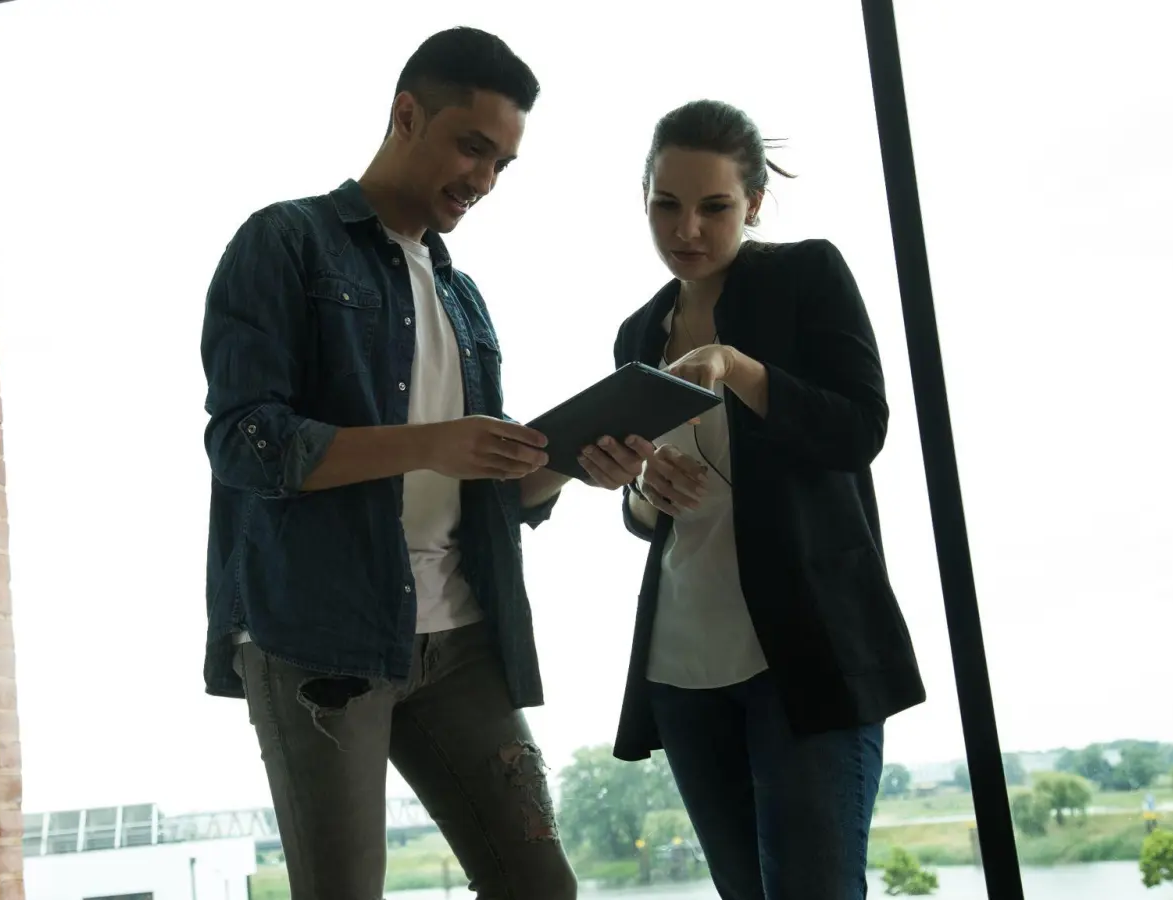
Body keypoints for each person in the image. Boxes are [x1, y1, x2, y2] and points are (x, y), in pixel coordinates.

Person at [200, 27, 630, 899]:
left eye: (503, 163)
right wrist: (433, 442)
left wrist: (575, 468)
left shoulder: (462, 295)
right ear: (405, 114)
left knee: (543, 887)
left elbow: (491, 497)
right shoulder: (284, 243)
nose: (484, 180)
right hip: (320, 641)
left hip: (462, 637)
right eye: (473, 147)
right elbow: (246, 441)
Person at [599, 100, 928, 898]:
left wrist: (739, 370)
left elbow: (859, 430)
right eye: (666, 204)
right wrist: (644, 491)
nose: (688, 229)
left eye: (714, 207)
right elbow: (647, 511)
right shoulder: (638, 334)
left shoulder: (806, 276)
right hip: (683, 668)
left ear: (752, 203)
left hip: (806, 656)